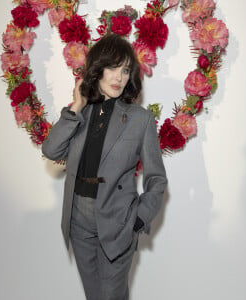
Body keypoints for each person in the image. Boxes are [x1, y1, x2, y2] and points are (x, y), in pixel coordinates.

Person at [42, 34, 167, 300]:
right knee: (95, 295)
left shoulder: (140, 120)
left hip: (117, 218)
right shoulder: (82, 113)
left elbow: (157, 179)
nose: (119, 77)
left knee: (110, 296)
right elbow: (51, 150)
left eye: (125, 70)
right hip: (78, 218)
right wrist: (75, 107)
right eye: (112, 67)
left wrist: (137, 220)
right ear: (97, 70)